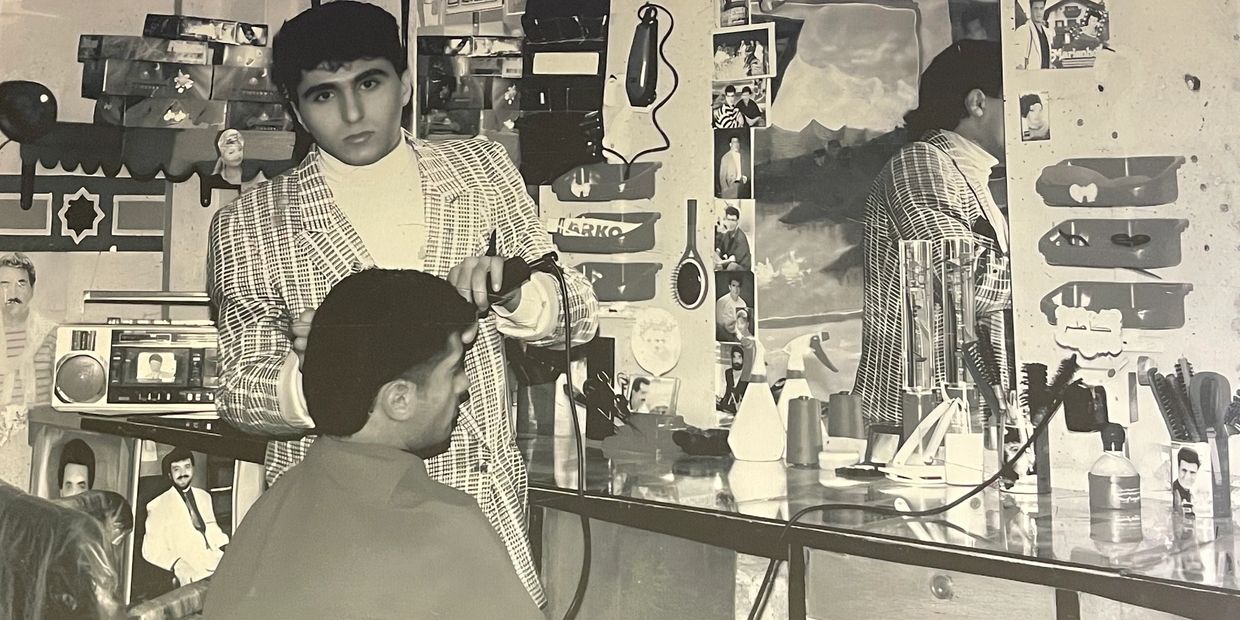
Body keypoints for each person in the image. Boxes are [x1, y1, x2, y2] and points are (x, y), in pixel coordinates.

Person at [206, 3, 597, 606]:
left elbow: (580, 314)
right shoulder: (252, 224)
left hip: (479, 522)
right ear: (294, 107)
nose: (354, 113)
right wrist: (326, 372)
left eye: (369, 83)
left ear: (406, 82)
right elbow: (236, 392)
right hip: (335, 540)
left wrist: (519, 291)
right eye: (323, 95)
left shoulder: (483, 173)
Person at [203, 269, 542, 619]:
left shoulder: (272, 507)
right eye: (454, 369)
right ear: (399, 400)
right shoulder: (446, 527)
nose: (464, 384)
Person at [855, 40, 1011, 427]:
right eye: (1019, 101)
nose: (1030, 115)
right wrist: (1049, 278)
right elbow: (963, 278)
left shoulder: (961, 171)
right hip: (910, 424)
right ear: (978, 103)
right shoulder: (921, 163)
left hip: (945, 417)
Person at [0, 252, 56, 487]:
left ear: (32, 290)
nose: (13, 293)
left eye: (21, 284)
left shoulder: (51, 334)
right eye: (4, 284)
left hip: (38, 441)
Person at [142, 447, 229, 586]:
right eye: (176, 469)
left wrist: (227, 547)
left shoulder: (204, 496)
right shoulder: (158, 505)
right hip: (192, 568)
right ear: (169, 474)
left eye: (187, 467)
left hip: (217, 560)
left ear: (193, 469)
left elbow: (213, 529)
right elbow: (150, 550)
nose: (183, 473)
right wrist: (177, 564)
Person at [715, 203, 752, 271]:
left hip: (743, 270)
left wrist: (719, 263)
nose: (731, 223)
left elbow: (733, 260)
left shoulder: (741, 238)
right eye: (729, 219)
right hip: (729, 265)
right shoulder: (726, 234)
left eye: (733, 220)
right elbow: (719, 250)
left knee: (731, 266)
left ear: (737, 221)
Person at [1015, 0, 1050, 70]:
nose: (1039, 12)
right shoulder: (1023, 31)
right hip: (1031, 77)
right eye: (1036, 8)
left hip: (1045, 77)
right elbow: (1018, 62)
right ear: (1030, 10)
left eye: (1041, 8)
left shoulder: (1046, 32)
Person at [715, 276, 747, 341]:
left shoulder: (743, 303)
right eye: (734, 286)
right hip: (722, 335)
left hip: (736, 336)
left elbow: (741, 324)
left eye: (738, 286)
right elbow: (718, 323)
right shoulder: (721, 301)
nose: (736, 289)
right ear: (729, 287)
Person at [719, 345, 748, 414]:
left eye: (739, 357)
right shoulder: (728, 372)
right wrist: (721, 400)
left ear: (743, 359)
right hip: (727, 408)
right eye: (734, 357)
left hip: (742, 409)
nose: (736, 360)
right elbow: (728, 391)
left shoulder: (747, 375)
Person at [1173, 446, 1200, 517]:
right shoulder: (1172, 494)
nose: (1187, 477)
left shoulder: (1192, 495)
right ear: (1178, 468)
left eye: (1192, 472)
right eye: (1184, 470)